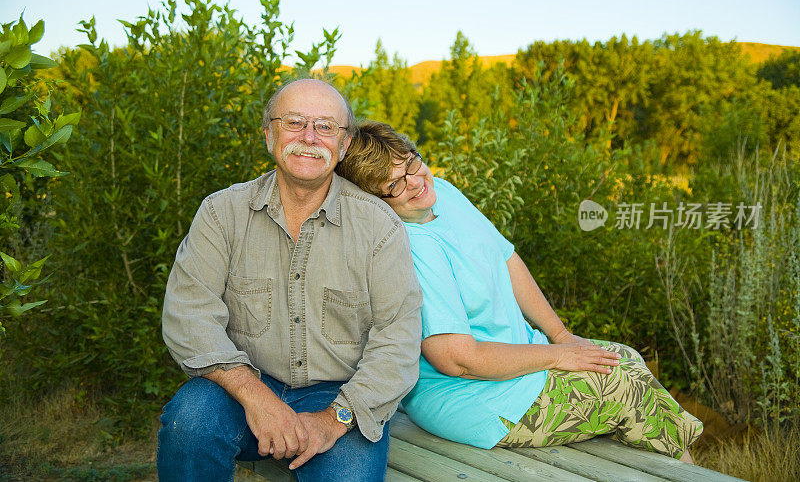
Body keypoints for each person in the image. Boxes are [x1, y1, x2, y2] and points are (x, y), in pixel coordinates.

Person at [336, 120, 703, 461]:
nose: (414, 182)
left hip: (520, 363)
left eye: (411, 163)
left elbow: (507, 258)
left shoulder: (440, 191)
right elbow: (456, 359)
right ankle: (690, 472)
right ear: (375, 201)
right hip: (477, 398)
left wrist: (560, 336)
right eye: (394, 184)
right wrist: (558, 356)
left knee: (625, 359)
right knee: (627, 387)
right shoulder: (410, 247)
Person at [157, 81, 423, 482]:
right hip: (241, 385)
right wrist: (257, 398)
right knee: (189, 424)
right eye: (295, 122)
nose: (309, 137)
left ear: (345, 144)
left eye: (326, 127)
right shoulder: (221, 213)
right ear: (269, 134)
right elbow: (189, 317)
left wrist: (334, 419)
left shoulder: (379, 227)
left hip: (341, 397)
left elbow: (398, 341)